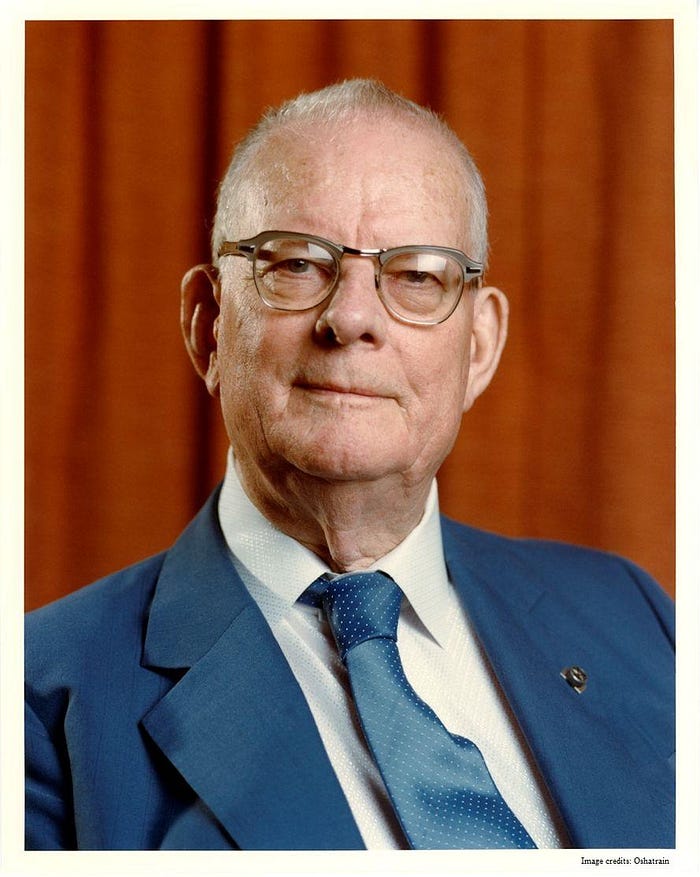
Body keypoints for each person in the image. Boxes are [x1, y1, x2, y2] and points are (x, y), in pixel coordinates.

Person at [25, 79, 674, 852]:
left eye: (417, 275)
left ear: (478, 349)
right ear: (208, 326)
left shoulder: (636, 618)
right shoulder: (41, 704)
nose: (352, 318)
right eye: (298, 263)